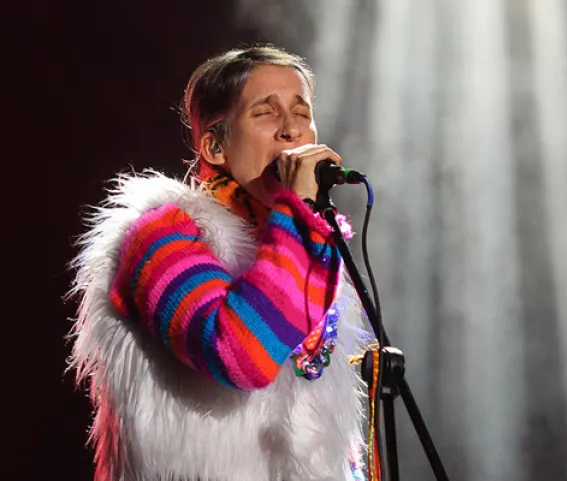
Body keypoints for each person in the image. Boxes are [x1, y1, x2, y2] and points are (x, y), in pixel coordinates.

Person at [67, 45, 370, 481]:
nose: (291, 131)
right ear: (214, 145)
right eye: (266, 112)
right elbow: (241, 356)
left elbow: (329, 439)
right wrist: (299, 211)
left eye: (302, 113)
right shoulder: (161, 234)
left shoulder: (313, 254)